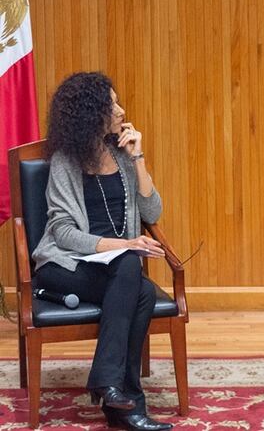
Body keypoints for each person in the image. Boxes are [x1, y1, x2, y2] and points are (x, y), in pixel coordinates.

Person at [31, 72, 173, 431]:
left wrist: (138, 156)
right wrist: (127, 244)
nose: (122, 111)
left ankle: (115, 396)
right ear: (91, 112)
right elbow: (63, 233)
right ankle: (128, 402)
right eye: (113, 105)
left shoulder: (121, 155)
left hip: (113, 268)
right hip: (64, 265)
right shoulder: (65, 161)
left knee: (135, 283)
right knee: (133, 278)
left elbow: (152, 213)